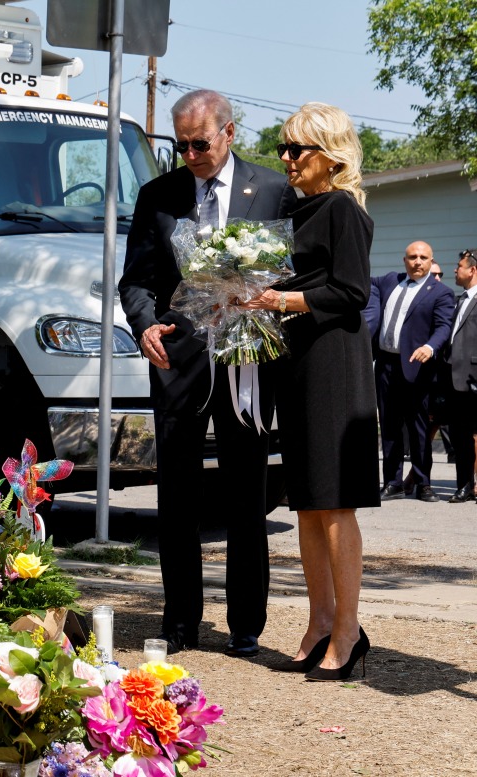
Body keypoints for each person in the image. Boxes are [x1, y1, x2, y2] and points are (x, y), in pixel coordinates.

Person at [119, 90, 295, 658]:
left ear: (229, 133)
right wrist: (144, 324)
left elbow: (292, 275)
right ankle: (180, 621)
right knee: (177, 496)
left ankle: (246, 623)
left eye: (200, 143)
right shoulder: (158, 195)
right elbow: (136, 281)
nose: (190, 154)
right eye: (181, 144)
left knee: (247, 492)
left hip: (245, 361)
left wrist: (264, 301)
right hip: (178, 359)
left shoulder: (271, 189)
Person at [241, 102, 379, 681]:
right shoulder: (295, 212)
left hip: (335, 362)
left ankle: (348, 629)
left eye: (298, 150)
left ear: (331, 156)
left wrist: (284, 300)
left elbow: (352, 292)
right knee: (307, 499)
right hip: (297, 362)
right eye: (283, 150)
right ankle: (320, 618)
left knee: (335, 500)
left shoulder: (342, 209)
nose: (288, 160)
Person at [365, 241, 454, 502]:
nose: (417, 262)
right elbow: (363, 281)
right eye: (412, 257)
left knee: (417, 430)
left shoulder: (440, 292)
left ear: (431, 261)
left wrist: (430, 346)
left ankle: (423, 483)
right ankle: (392, 482)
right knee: (390, 427)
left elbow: (444, 326)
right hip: (385, 365)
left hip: (416, 367)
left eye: (423, 257)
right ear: (404, 260)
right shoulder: (389, 281)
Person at [443, 249, 477, 502]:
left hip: (474, 378)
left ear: (472, 270)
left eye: (459, 266)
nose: (455, 270)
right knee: (461, 437)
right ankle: (464, 484)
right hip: (455, 380)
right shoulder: (460, 299)